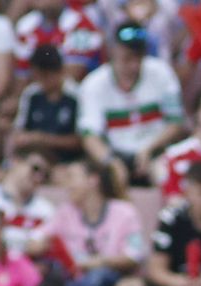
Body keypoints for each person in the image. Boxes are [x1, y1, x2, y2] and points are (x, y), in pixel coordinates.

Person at [76, 22, 186, 188]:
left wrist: (149, 149)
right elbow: (89, 136)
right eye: (127, 57)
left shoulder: (162, 73)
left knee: (164, 173)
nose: (134, 65)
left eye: (139, 57)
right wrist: (110, 161)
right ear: (113, 51)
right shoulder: (94, 84)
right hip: (115, 153)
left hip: (156, 151)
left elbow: (176, 123)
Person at [36, 157, 143, 286]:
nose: (67, 185)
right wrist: (39, 244)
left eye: (72, 177)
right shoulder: (65, 213)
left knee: (97, 278)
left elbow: (134, 255)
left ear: (92, 180)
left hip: (110, 281)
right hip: (71, 277)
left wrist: (99, 262)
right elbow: (37, 237)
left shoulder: (124, 212)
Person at [11, 44, 83, 163]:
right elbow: (19, 130)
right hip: (32, 157)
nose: (41, 81)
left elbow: (80, 140)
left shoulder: (76, 96)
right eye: (37, 76)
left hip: (68, 160)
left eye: (45, 76)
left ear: (59, 71)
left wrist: (44, 139)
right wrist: (25, 139)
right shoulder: (31, 94)